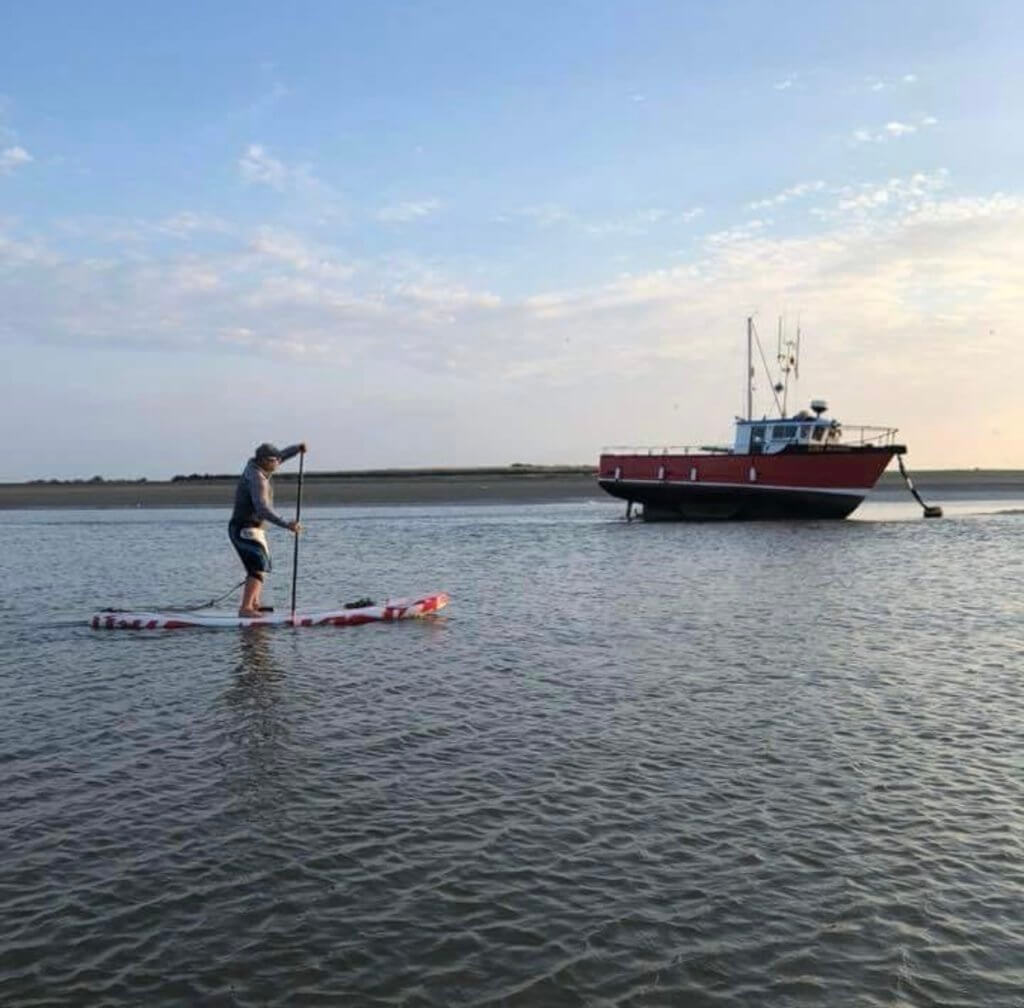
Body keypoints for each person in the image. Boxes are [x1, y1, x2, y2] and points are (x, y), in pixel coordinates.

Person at [228, 441, 306, 616]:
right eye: (274, 461)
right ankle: (245, 608)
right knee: (257, 566)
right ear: (263, 460)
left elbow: (281, 456)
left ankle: (254, 604)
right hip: (244, 528)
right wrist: (287, 524)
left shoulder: (261, 465)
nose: (277, 464)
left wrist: (296, 449)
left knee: (260, 565)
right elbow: (262, 508)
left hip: (253, 528)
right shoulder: (256, 478)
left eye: (277, 460)